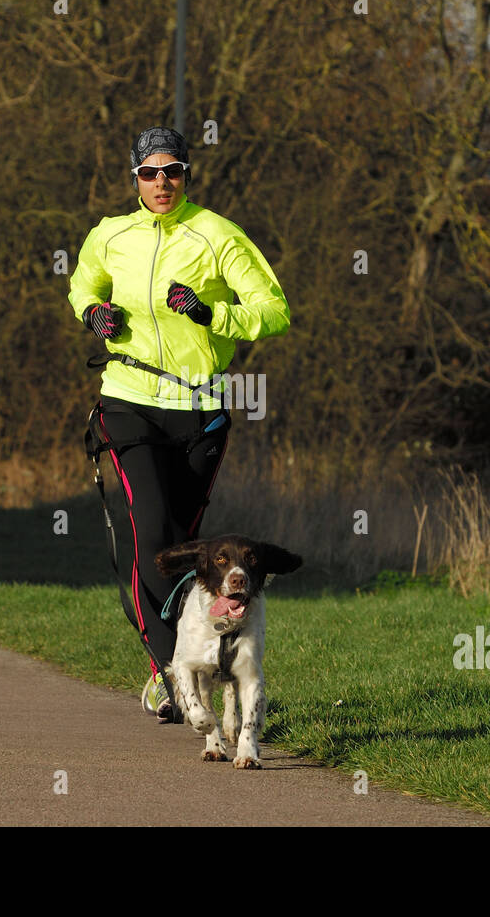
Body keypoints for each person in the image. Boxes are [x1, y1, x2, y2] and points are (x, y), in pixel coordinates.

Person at [69, 126, 292, 720]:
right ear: (134, 177)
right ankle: (174, 674)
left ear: (187, 175)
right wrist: (93, 310)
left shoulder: (218, 236)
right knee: (150, 537)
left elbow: (273, 312)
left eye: (172, 171)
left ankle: (193, 657)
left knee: (188, 549)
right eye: (149, 172)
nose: (161, 182)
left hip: (198, 411)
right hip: (128, 399)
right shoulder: (111, 234)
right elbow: (82, 281)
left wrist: (208, 311)